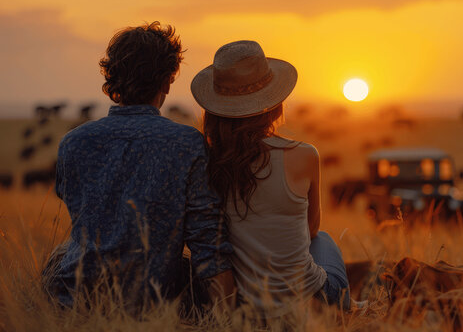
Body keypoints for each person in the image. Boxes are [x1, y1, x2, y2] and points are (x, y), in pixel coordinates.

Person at [42, 22, 234, 311]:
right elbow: (208, 245)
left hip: (74, 300)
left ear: (112, 77)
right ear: (168, 80)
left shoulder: (73, 143)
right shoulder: (187, 143)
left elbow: (75, 206)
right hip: (152, 303)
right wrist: (231, 319)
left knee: (60, 254)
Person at [190, 40, 350, 317]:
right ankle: (350, 308)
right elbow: (310, 231)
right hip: (311, 302)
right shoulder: (304, 154)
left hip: (247, 308)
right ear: (274, 103)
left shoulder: (209, 161)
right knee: (323, 240)